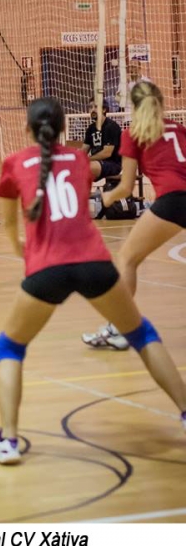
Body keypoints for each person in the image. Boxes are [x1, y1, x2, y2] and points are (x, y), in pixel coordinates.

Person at [0, 97, 186, 464]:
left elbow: (12, 232)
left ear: (27, 129)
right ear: (64, 129)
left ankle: (9, 442)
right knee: (140, 334)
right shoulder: (80, 161)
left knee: (9, 348)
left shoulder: (14, 163)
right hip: (95, 262)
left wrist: (27, 254)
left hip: (46, 267)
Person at [83, 81, 186, 350]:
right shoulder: (178, 127)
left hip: (174, 201)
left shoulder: (133, 133)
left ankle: (120, 329)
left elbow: (126, 187)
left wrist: (105, 198)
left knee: (127, 259)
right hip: (178, 197)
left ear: (133, 106)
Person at [82, 97, 122, 180]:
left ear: (104, 109)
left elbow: (107, 153)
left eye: (96, 107)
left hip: (113, 164)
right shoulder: (90, 129)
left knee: (87, 168)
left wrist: (87, 159)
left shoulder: (111, 127)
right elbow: (83, 150)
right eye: (90, 107)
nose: (92, 110)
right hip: (96, 162)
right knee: (72, 167)